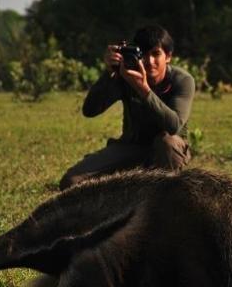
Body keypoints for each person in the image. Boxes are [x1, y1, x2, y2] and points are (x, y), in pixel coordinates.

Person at [59, 25, 195, 190]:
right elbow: (90, 110)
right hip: (132, 147)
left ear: (168, 56)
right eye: (143, 54)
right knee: (71, 182)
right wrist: (110, 73)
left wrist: (143, 89)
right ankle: (133, 182)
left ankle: (163, 193)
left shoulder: (182, 80)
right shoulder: (125, 75)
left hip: (168, 152)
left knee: (167, 142)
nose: (149, 61)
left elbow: (173, 126)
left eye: (156, 54)